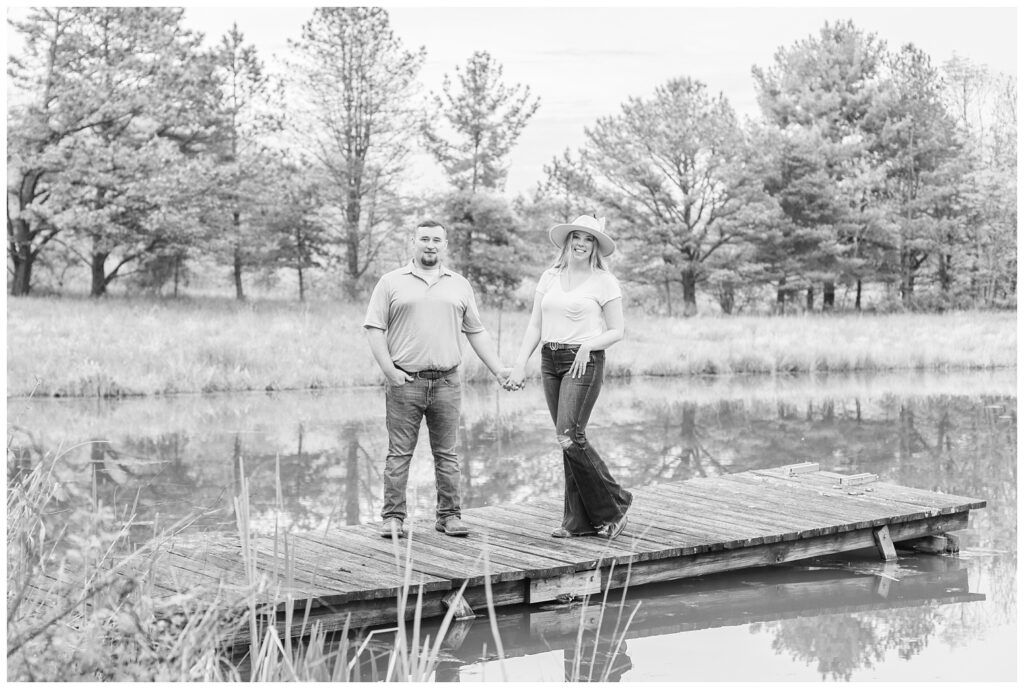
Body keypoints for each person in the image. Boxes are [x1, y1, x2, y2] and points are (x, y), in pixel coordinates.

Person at [364, 219, 509, 539]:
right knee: (399, 454)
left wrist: (499, 370)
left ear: (445, 246)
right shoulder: (391, 282)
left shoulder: (459, 284)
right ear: (412, 242)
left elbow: (477, 332)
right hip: (405, 382)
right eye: (424, 239)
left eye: (437, 240)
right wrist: (390, 371)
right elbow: (375, 328)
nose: (430, 245)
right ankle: (393, 518)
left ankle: (449, 516)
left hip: (447, 382)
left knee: (448, 453)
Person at [506, 214, 632, 540]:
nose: (581, 243)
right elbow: (535, 325)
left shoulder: (604, 281)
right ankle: (576, 522)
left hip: (583, 362)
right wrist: (521, 364)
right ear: (568, 240)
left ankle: (615, 505)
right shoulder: (549, 276)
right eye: (576, 236)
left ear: (595, 246)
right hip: (550, 360)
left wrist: (589, 345)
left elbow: (618, 330)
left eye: (588, 239)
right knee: (568, 441)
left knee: (569, 435)